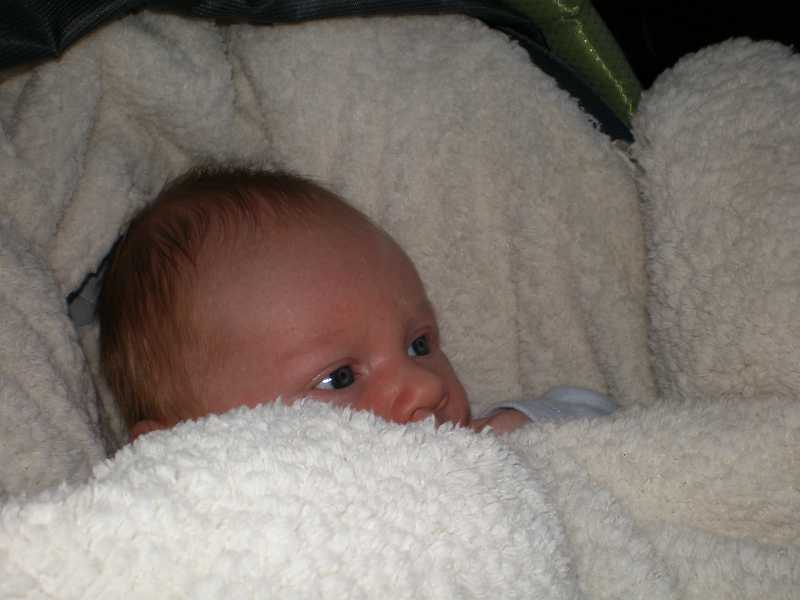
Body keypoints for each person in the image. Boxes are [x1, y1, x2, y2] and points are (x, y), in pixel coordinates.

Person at [98, 166, 614, 442]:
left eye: (419, 345)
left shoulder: (480, 453)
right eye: (340, 378)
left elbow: (606, 431)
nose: (426, 387)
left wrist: (519, 427)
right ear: (185, 446)